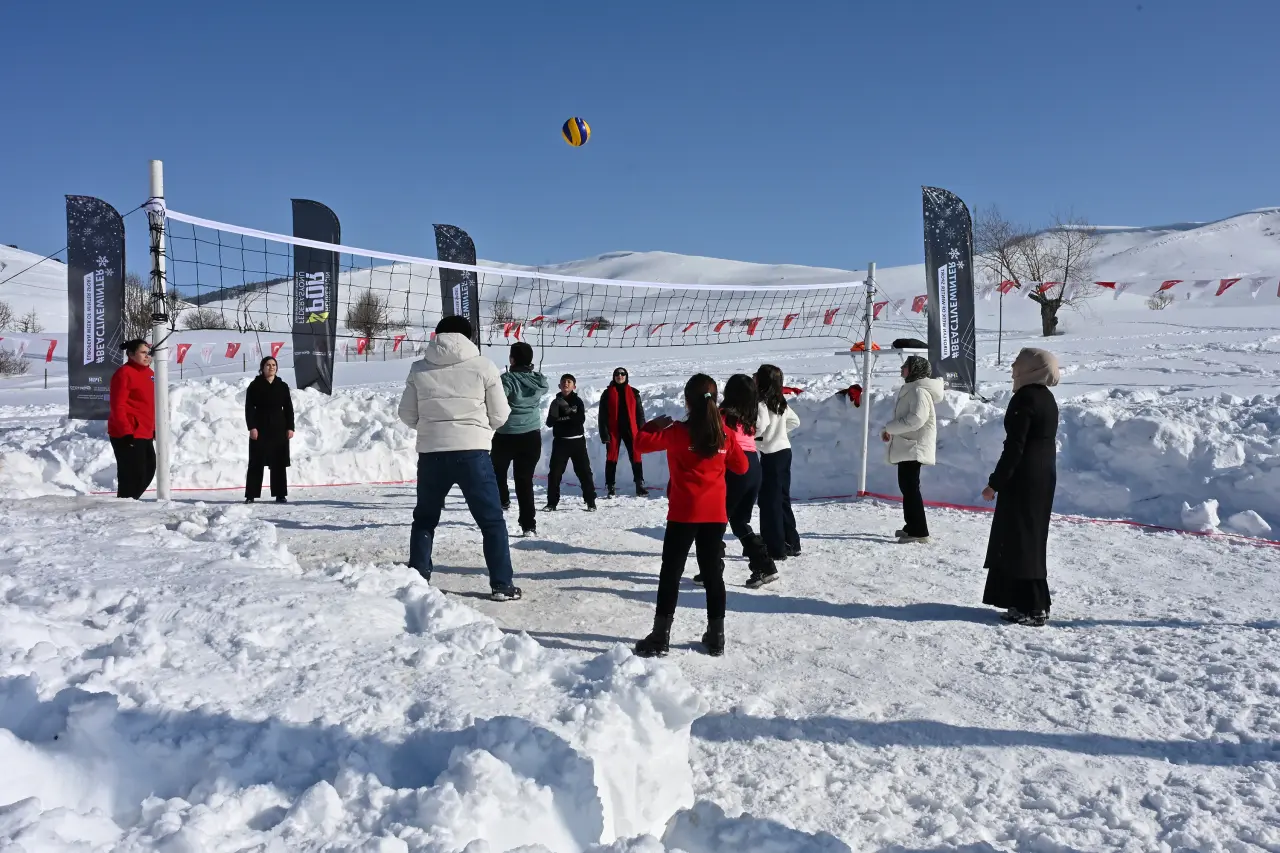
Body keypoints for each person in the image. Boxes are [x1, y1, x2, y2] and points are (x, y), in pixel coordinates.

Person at [398, 315, 521, 601]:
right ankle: (502, 585)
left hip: (432, 454)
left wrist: (432, 428)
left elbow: (406, 414)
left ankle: (418, 576)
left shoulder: (419, 368)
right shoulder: (484, 366)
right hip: (473, 452)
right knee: (491, 521)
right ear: (469, 336)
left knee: (425, 519)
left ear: (437, 335)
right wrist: (479, 428)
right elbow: (500, 415)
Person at [630, 374, 748, 658]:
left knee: (671, 573)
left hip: (683, 512)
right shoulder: (725, 434)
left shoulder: (677, 432)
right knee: (713, 574)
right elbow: (742, 467)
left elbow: (640, 444)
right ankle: (716, 637)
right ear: (715, 399)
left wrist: (653, 425)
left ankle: (660, 636)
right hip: (715, 513)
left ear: (687, 401)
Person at [981, 348, 1061, 627]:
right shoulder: (1046, 397)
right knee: (1028, 538)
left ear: (1032, 368)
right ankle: (1025, 601)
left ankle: (1033, 607)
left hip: (1024, 476)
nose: (1013, 367)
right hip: (1042, 474)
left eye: (1018, 363)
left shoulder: (1025, 398)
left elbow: (1015, 446)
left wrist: (995, 483)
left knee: (1021, 539)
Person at [714, 373, 777, 588]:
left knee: (717, 520)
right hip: (753, 466)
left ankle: (711, 569)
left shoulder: (722, 415)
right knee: (740, 521)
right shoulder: (749, 418)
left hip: (735, 464)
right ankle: (765, 566)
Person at [881, 355, 944, 543]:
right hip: (907, 445)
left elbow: (916, 419)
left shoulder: (918, 391)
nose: (902, 368)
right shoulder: (912, 389)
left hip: (913, 446)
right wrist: (891, 431)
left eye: (906, 366)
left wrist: (890, 428)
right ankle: (911, 526)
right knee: (907, 487)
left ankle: (919, 531)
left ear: (915, 369)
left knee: (910, 488)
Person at [491, 342, 548, 536]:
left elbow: (497, 402)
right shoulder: (538, 380)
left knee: (496, 473)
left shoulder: (507, 380)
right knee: (524, 481)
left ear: (512, 359)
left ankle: (503, 501)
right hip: (531, 436)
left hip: (506, 435)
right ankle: (528, 525)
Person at [754, 364, 802, 559]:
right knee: (782, 498)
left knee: (768, 502)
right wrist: (779, 433)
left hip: (770, 455)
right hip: (784, 452)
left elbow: (760, 425)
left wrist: (755, 438)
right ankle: (792, 542)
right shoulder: (780, 401)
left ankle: (775, 547)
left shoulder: (761, 402)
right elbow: (795, 421)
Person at [107, 339, 156, 500]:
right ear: (131, 354)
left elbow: (151, 404)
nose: (147, 356)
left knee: (148, 470)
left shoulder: (150, 374)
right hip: (128, 432)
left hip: (145, 431)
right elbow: (118, 405)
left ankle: (130, 501)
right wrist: (126, 431)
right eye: (143, 352)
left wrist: (154, 427)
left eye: (148, 353)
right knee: (132, 474)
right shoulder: (124, 373)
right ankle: (125, 504)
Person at [244, 356, 295, 504]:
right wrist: (252, 427)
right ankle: (251, 495)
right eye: (268, 365)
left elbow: (289, 408)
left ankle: (280, 494)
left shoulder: (282, 386)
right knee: (256, 461)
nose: (271, 367)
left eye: (273, 365)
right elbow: (249, 408)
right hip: (260, 427)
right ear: (262, 368)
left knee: (279, 462)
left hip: (279, 427)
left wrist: (290, 427)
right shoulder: (254, 386)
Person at [545, 373, 598, 512]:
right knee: (555, 473)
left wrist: (567, 412)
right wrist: (555, 416)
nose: (566, 384)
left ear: (574, 386)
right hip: (560, 443)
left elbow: (580, 420)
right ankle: (551, 503)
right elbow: (549, 423)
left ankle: (590, 501)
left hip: (577, 442)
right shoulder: (555, 402)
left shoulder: (578, 401)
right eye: (563, 381)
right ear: (559, 386)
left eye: (569, 382)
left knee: (584, 472)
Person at [598, 367, 648, 497]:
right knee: (611, 457)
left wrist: (643, 430)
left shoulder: (634, 393)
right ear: (613, 376)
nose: (619, 376)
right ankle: (610, 486)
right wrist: (604, 433)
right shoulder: (607, 394)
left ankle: (639, 484)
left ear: (626, 376)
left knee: (636, 455)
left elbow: (640, 414)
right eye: (617, 374)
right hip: (613, 430)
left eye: (622, 374)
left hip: (631, 429)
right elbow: (602, 416)